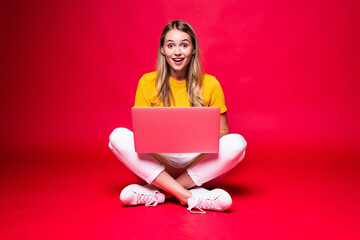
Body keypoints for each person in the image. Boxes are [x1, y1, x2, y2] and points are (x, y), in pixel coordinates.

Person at [108, 20, 247, 213]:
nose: (178, 52)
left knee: (238, 143)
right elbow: (140, 136)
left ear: (193, 50)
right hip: (158, 164)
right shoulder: (147, 82)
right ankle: (189, 196)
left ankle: (161, 193)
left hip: (198, 165)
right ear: (163, 50)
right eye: (171, 45)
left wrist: (199, 137)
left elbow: (225, 132)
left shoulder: (210, 83)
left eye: (184, 44)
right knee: (117, 136)